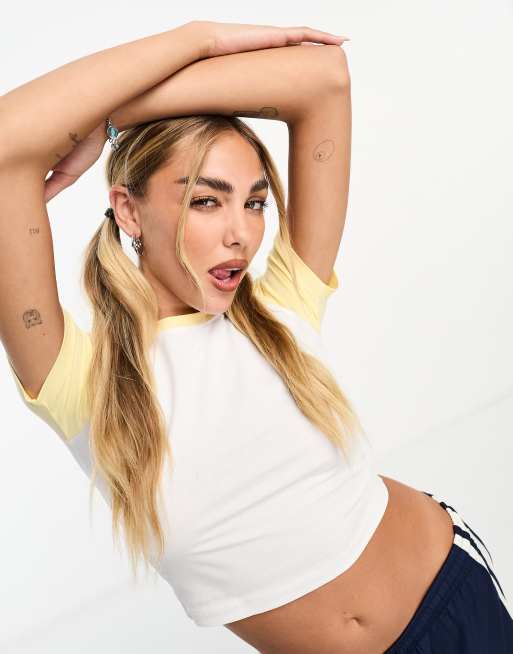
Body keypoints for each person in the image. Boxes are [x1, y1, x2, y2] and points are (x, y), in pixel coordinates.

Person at [1, 20, 512, 654]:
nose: (241, 233)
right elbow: (8, 138)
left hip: (456, 591)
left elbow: (324, 78)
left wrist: (111, 120)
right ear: (129, 209)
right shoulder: (81, 381)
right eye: (207, 201)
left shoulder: (278, 310)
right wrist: (193, 40)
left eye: (255, 202)